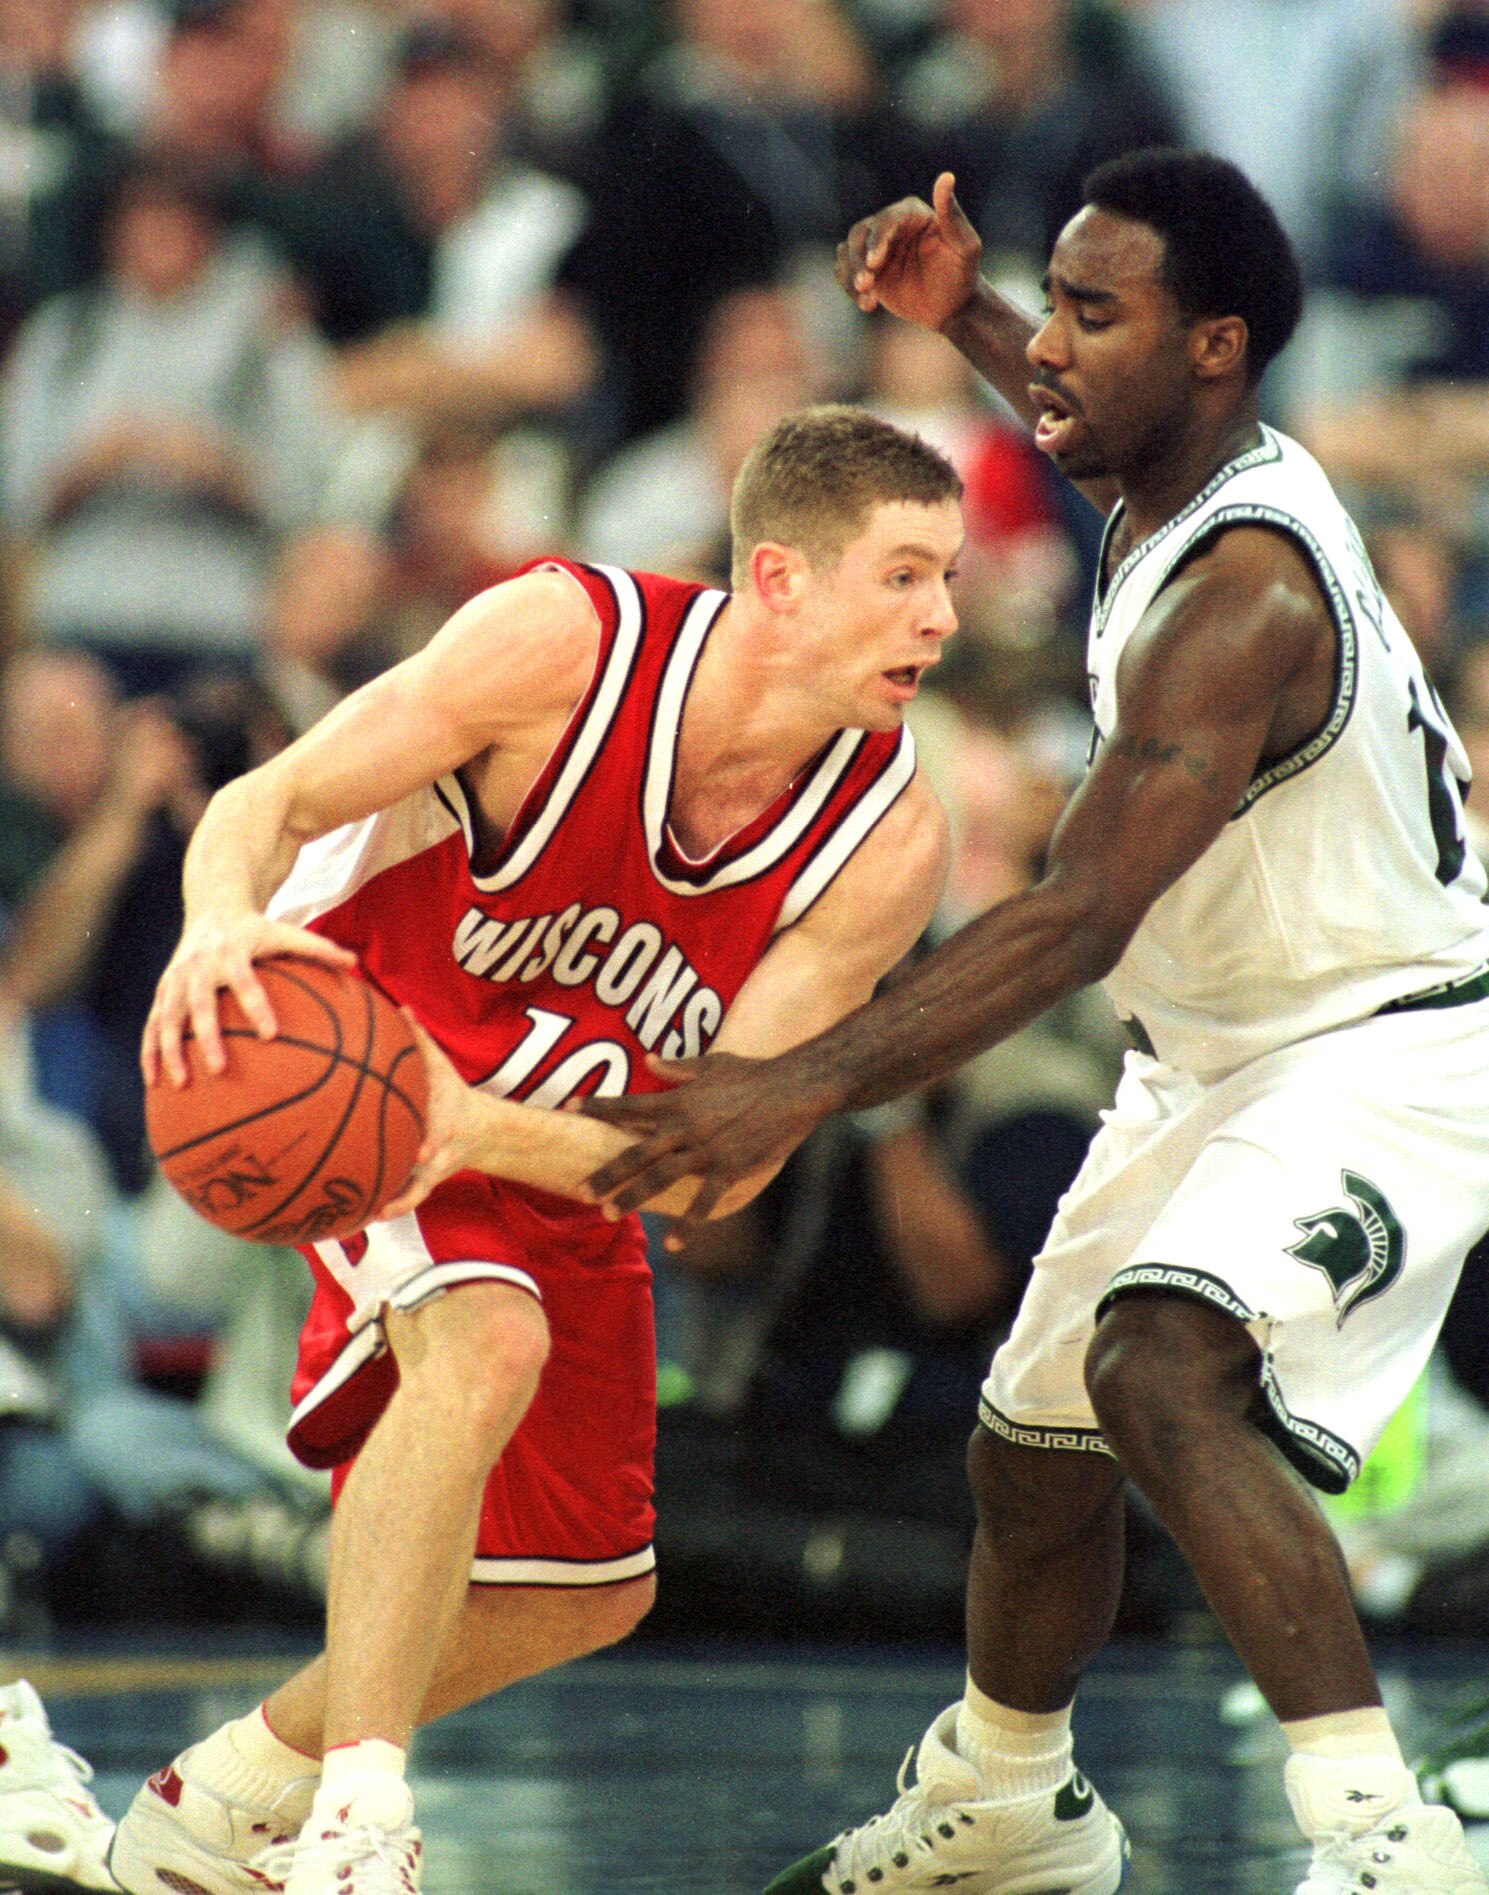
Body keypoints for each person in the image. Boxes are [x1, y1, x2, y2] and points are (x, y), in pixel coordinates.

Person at [581, 153, 1489, 1894]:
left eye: (1090, 312)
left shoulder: (1245, 594)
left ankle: (1385, 1842)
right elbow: (1083, 412)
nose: (1048, 350)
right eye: (1049, 304)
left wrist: (794, 1084)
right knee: (1031, 1442)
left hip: (1384, 1041)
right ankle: (1005, 1806)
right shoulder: (1170, 464)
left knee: (1159, 1369)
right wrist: (964, 313)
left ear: (1212, 347)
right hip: (1220, 1041)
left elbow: (1076, 917)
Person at [21, 403, 958, 1895]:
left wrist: (485, 1132)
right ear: (779, 578)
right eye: (904, 576)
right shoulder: (561, 641)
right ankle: (358, 1826)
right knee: (486, 1344)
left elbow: (720, 1169)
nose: (941, 617)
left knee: (589, 1590)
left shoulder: (886, 840)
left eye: (949, 580)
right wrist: (213, 924)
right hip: (353, 1055)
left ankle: (224, 1797)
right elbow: (270, 801)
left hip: (550, 1143)